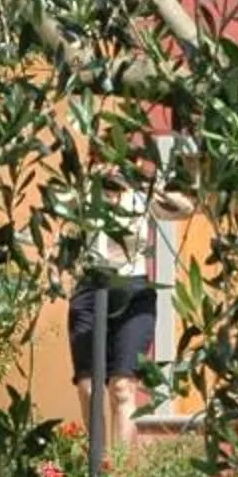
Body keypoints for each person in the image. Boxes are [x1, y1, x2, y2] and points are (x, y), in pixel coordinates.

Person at [67, 157, 195, 449]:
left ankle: (119, 475)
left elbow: (184, 208)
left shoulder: (139, 195)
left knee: (122, 387)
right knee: (89, 388)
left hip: (133, 289)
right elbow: (60, 203)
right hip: (90, 287)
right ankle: (95, 469)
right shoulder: (85, 193)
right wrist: (89, 180)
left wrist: (144, 184)